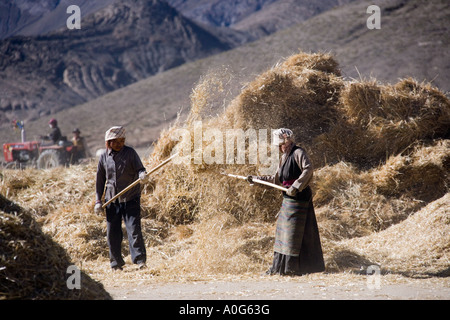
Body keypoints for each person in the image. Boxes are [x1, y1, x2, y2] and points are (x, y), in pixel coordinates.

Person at [248, 128, 325, 276]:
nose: (280, 147)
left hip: (299, 199)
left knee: (292, 235)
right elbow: (275, 179)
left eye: (281, 144)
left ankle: (292, 269)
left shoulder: (298, 153)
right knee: (282, 233)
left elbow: (308, 169)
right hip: (288, 199)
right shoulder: (283, 157)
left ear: (286, 141)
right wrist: (255, 179)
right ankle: (279, 269)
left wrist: (296, 186)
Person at [94, 126, 148, 270]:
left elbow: (140, 169)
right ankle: (116, 263)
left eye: (122, 141)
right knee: (113, 233)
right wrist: (98, 201)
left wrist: (143, 174)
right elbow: (100, 181)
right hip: (112, 200)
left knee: (134, 230)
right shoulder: (104, 157)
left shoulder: (130, 153)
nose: (119, 144)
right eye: (116, 141)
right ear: (108, 142)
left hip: (131, 198)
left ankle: (140, 261)